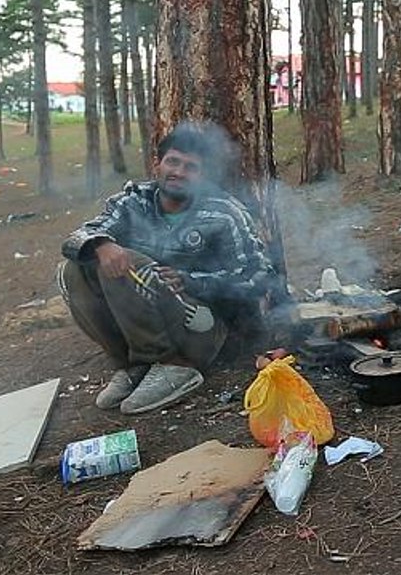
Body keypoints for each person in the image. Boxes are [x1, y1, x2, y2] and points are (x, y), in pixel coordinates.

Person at [59, 122, 276, 415]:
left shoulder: (224, 213)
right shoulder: (134, 201)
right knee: (76, 268)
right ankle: (132, 366)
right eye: (173, 162)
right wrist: (101, 244)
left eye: (191, 167)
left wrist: (193, 281)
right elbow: (78, 237)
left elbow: (260, 276)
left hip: (204, 329)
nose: (179, 172)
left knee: (134, 264)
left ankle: (176, 366)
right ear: (157, 164)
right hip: (150, 324)